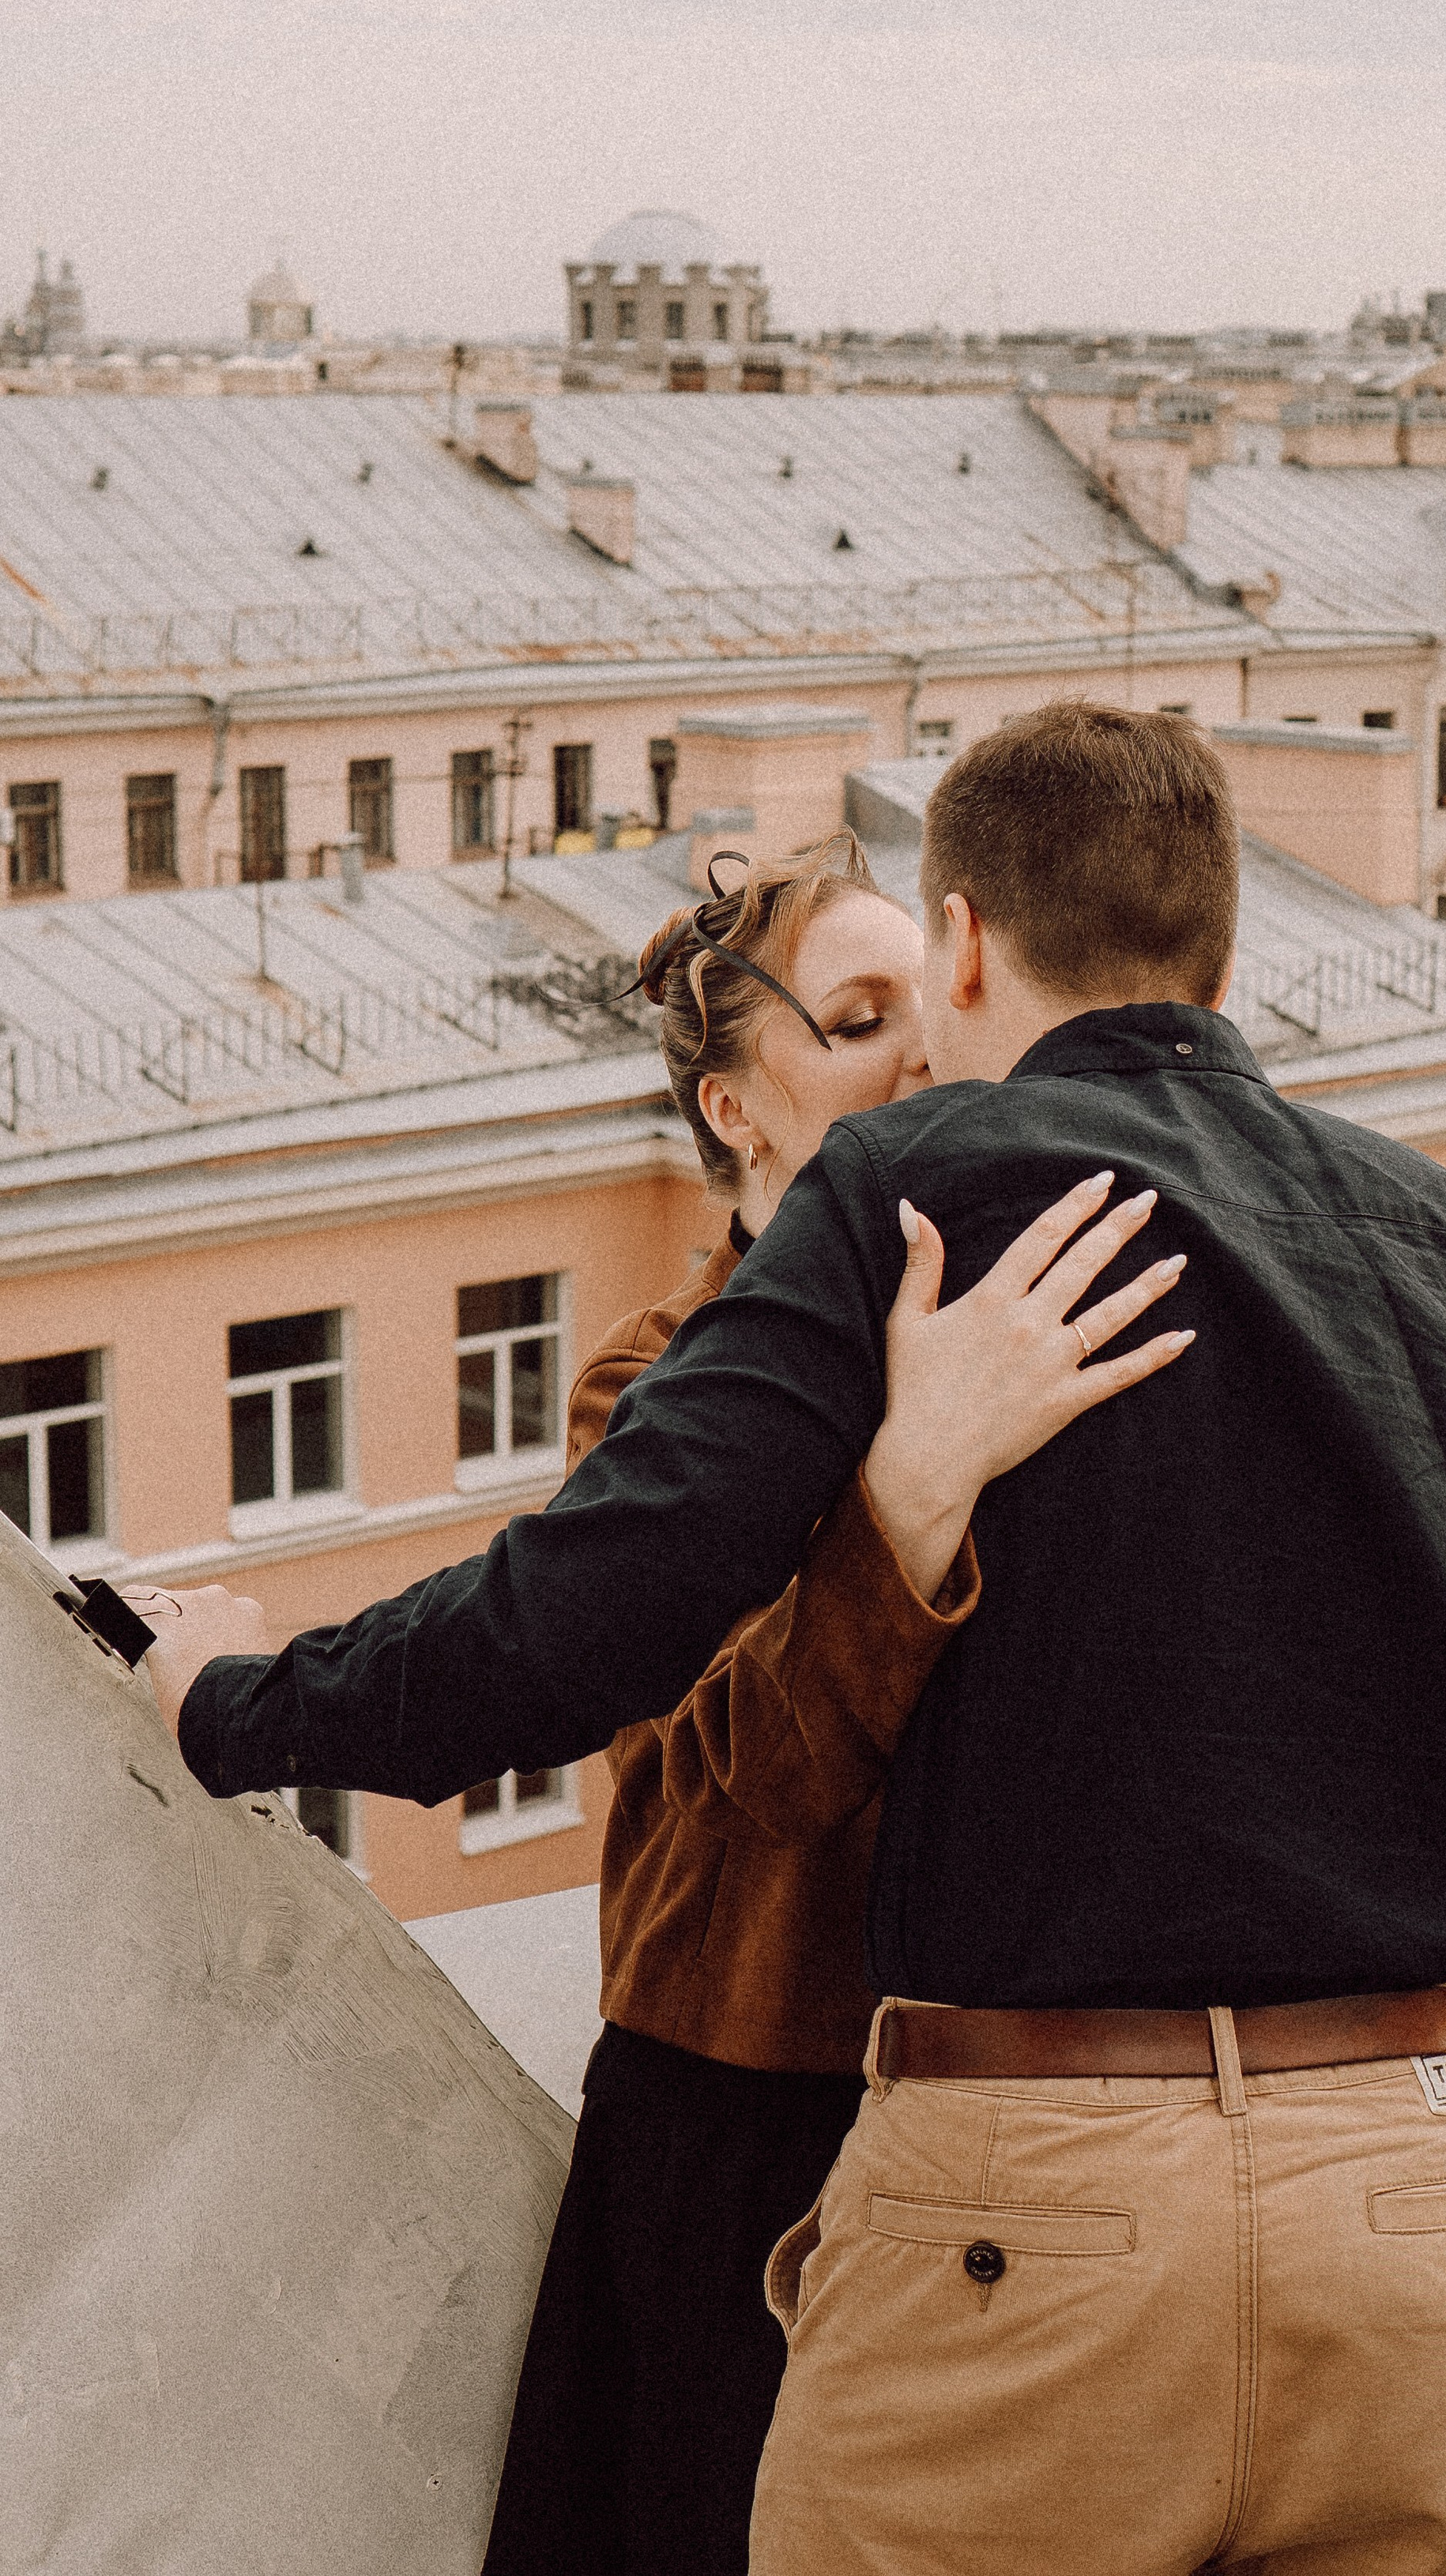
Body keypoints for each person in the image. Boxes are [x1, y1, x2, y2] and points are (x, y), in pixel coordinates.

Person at [151, 701, 1446, 2576]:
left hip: (1036, 2209)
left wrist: (232, 1705)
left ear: (961, 940)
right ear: (1213, 943)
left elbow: (568, 1630)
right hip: (1424, 2198)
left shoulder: (916, 1194)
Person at [140, 829, 1193, 2576]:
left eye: (928, 1014)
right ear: (735, 1107)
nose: (919, 1058)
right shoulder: (656, 1376)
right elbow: (732, 1773)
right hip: (751, 2101)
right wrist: (903, 1492)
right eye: (857, 1021)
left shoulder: (1035, 1326)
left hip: (1022, 2120)